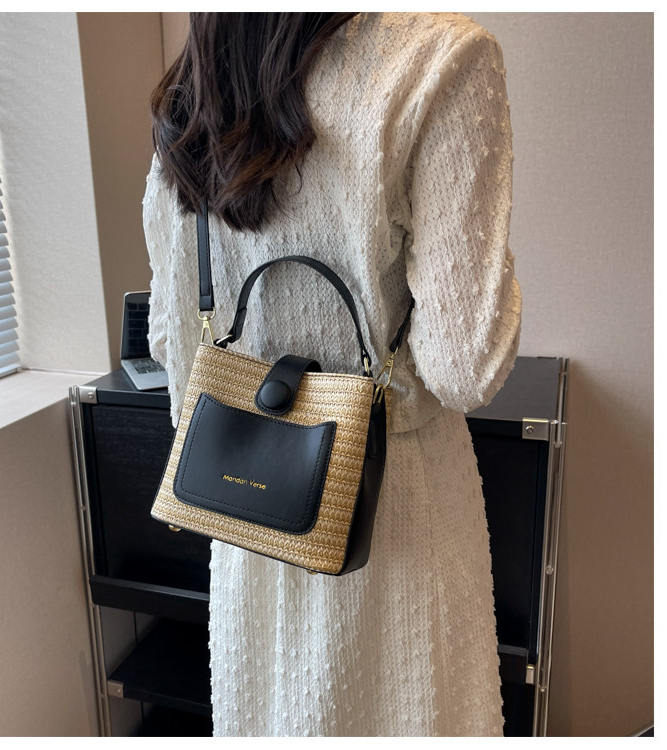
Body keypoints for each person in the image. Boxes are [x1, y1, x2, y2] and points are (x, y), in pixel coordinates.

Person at [143, 12, 521, 737]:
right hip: (394, 517)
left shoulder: (194, 94)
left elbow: (177, 349)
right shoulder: (442, 59)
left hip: (250, 522)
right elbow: (466, 367)